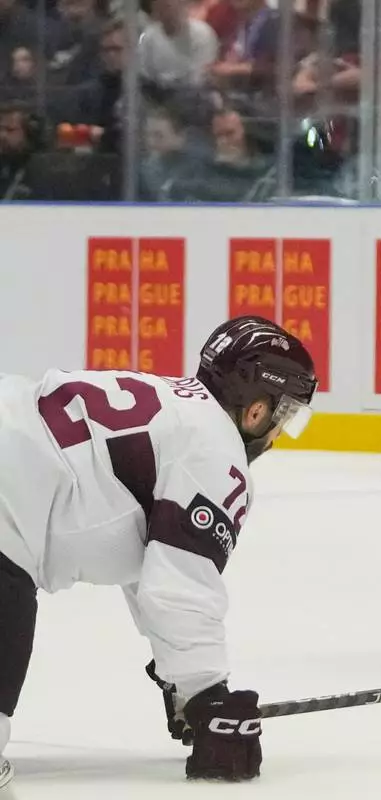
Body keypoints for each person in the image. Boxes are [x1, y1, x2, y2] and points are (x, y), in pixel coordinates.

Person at [0, 316, 318, 788]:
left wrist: (187, 684)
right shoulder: (217, 451)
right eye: (284, 414)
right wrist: (208, 696)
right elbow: (181, 585)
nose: (277, 433)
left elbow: (149, 565)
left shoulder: (173, 407)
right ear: (256, 409)